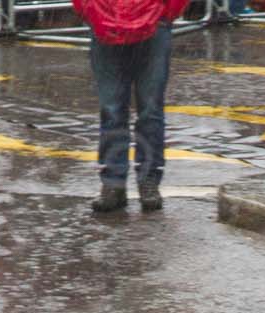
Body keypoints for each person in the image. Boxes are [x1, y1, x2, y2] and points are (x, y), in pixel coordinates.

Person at [72, 0, 187, 215]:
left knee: (145, 109)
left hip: (147, 24)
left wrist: (163, 15)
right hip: (109, 23)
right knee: (116, 110)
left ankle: (143, 181)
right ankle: (117, 184)